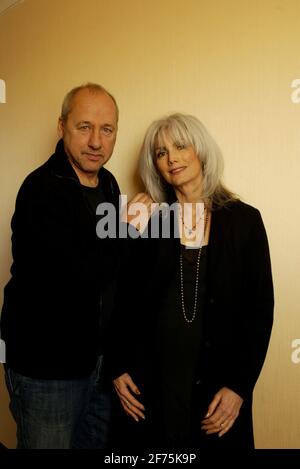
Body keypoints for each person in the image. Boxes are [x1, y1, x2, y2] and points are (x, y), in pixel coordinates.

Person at [109, 113, 274, 449]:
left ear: (200, 151)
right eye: (160, 152)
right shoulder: (149, 218)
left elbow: (259, 311)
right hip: (151, 388)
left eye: (180, 146)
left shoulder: (245, 221)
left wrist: (239, 388)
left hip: (217, 388)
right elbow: (117, 296)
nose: (172, 158)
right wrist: (116, 366)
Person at [0, 83, 120, 448]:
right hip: (47, 370)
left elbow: (113, 277)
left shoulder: (109, 185)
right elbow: (74, 277)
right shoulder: (40, 190)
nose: (96, 142)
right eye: (84, 127)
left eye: (107, 129)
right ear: (61, 127)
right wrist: (128, 230)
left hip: (99, 366)